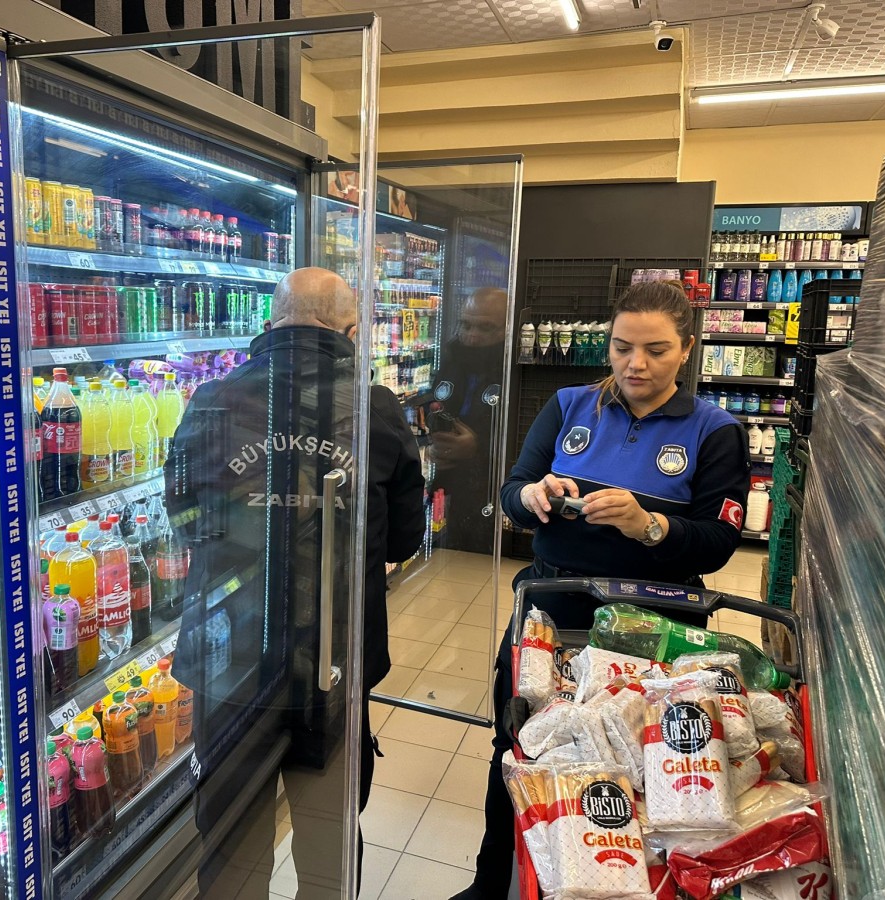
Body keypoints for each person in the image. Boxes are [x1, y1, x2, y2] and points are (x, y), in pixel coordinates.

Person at [450, 280, 750, 900]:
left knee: (634, 761)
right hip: (550, 609)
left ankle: (610, 883)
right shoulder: (567, 405)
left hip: (654, 620)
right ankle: (491, 884)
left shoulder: (714, 430)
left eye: (656, 351)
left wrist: (651, 526)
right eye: (621, 348)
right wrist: (530, 498)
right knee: (518, 744)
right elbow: (513, 489)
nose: (635, 365)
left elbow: (718, 542)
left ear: (687, 349)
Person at [167, 267, 425, 899]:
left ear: (269, 323)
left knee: (231, 846)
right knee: (328, 841)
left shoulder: (212, 401)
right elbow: (401, 542)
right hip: (332, 663)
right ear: (351, 329)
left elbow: (186, 520)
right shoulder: (378, 409)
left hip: (231, 661)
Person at [427, 287, 507, 552]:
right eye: (466, 324)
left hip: (497, 499)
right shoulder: (452, 362)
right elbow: (436, 407)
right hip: (451, 491)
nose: (472, 336)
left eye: (485, 328)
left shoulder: (517, 375)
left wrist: (479, 448)